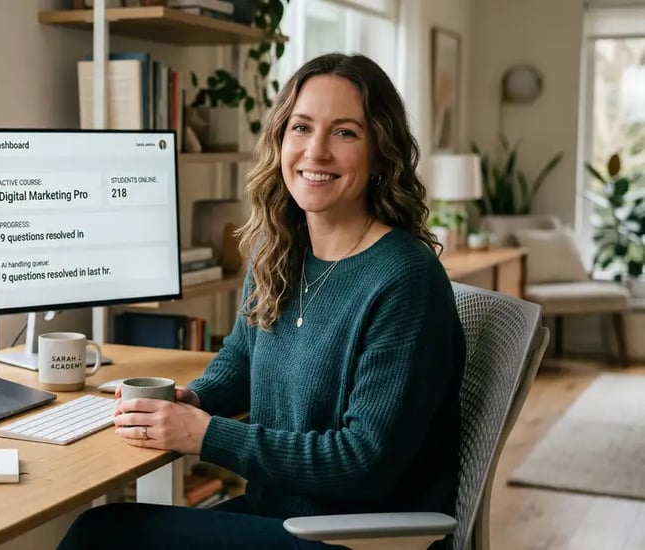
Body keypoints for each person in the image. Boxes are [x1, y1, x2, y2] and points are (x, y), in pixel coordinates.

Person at [58, 53, 465, 550]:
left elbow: (363, 462)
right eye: (301, 127)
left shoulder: (405, 278)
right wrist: (194, 400)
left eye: (345, 133)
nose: (315, 152)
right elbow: (242, 359)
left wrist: (204, 436)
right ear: (280, 140)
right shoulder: (279, 249)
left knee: (100, 536)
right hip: (281, 514)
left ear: (380, 153)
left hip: (358, 535)